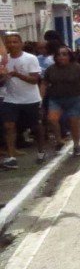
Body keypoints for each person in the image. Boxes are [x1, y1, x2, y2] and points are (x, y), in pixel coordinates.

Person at [0, 32, 46, 169]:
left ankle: (41, 151)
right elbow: (2, 83)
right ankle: (11, 156)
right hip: (11, 98)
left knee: (36, 127)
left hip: (30, 99)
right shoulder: (4, 60)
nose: (12, 45)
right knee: (9, 126)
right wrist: (4, 77)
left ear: (21, 44)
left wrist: (16, 74)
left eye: (15, 42)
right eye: (9, 42)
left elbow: (34, 80)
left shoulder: (30, 58)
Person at [41, 45, 80, 156]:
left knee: (74, 122)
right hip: (56, 99)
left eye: (64, 54)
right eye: (58, 55)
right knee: (52, 119)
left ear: (69, 56)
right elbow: (44, 83)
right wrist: (41, 98)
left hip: (74, 99)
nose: (61, 57)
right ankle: (59, 140)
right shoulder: (51, 69)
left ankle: (76, 145)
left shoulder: (76, 67)